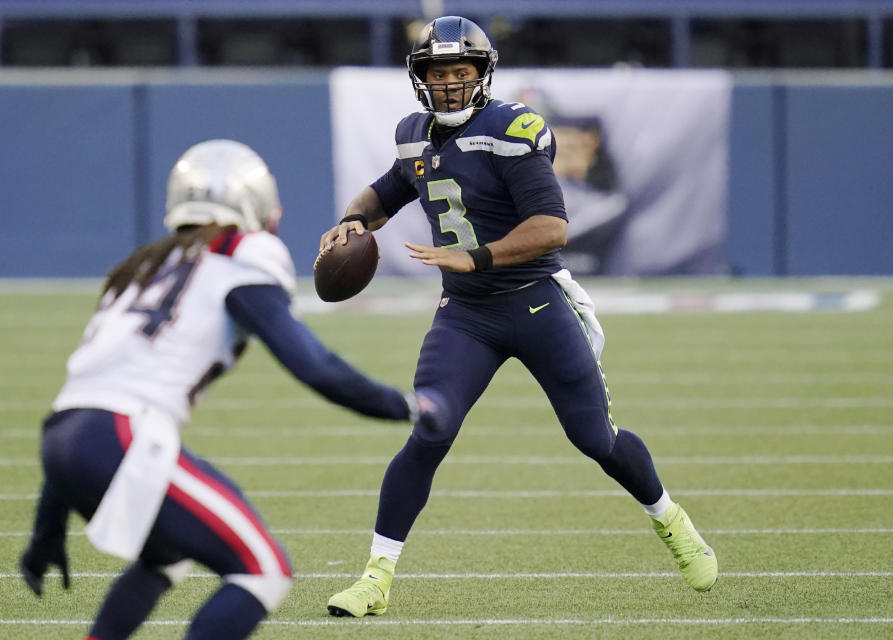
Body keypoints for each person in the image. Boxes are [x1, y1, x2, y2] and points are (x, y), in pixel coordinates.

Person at [321, 16, 718, 619]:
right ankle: (376, 577)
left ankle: (670, 517)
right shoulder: (413, 134)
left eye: (461, 71)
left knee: (594, 438)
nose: (449, 83)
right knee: (430, 429)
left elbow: (551, 227)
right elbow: (385, 191)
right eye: (437, 71)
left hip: (535, 301)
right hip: (467, 315)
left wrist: (473, 256)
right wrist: (354, 219)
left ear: (483, 74)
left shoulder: (514, 129)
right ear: (419, 76)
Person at [19, 139, 425, 640]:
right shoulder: (244, 254)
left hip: (63, 440)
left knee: (164, 557)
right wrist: (404, 405)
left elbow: (81, 405)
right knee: (263, 569)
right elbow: (314, 366)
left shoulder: (145, 266)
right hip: (122, 435)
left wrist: (47, 526)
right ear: (254, 205)